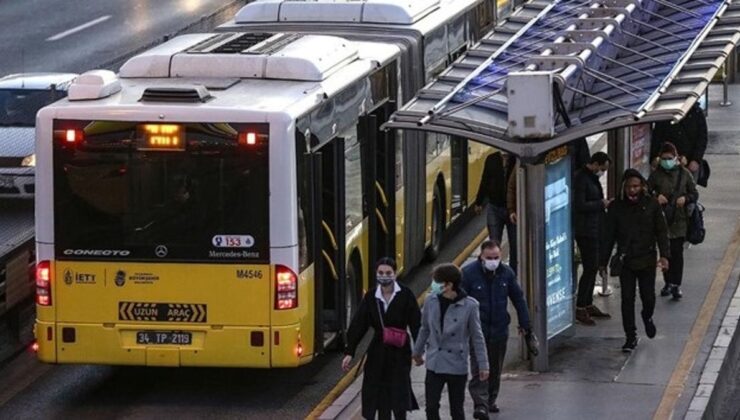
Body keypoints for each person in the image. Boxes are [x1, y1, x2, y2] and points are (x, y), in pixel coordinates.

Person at [600, 169, 670, 353]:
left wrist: (664, 255)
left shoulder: (651, 205)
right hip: (627, 260)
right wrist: (603, 262)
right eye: (630, 187)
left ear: (642, 187)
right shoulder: (616, 208)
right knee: (627, 299)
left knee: (648, 297)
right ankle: (630, 335)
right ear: (624, 187)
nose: (633, 190)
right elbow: (608, 236)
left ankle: (647, 316)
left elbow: (661, 232)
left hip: (647, 258)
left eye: (636, 186)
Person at [343, 257, 421, 420]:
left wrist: (419, 350)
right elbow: (359, 324)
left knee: (399, 395)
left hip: (400, 352)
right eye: (380, 272)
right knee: (380, 398)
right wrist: (350, 351)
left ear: (394, 273)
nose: (384, 276)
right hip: (378, 352)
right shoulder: (371, 297)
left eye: (388, 273)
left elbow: (416, 324)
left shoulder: (406, 295)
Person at [462, 240, 531, 416]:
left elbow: (518, 298)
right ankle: (481, 403)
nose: (493, 261)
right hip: (478, 332)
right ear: (481, 257)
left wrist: (525, 324)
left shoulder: (506, 273)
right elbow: (460, 303)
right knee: (479, 368)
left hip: (499, 330)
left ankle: (490, 400)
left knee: (495, 368)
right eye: (489, 258)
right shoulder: (469, 274)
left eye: (496, 257)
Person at [412, 263, 489, 420]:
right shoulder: (430, 301)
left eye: (437, 282)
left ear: (449, 285)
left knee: (456, 410)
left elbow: (477, 337)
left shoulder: (470, 306)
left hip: (456, 364)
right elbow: (425, 328)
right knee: (431, 407)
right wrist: (417, 352)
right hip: (434, 363)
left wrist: (483, 365)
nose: (433, 285)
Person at [648, 142, 699, 300]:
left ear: (676, 158)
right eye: (664, 158)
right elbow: (647, 191)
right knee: (666, 253)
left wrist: (686, 198)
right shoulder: (656, 175)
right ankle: (668, 282)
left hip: (679, 220)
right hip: (662, 220)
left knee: (677, 253)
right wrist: (656, 197)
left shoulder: (684, 174)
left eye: (669, 158)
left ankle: (676, 284)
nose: (667, 161)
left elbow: (694, 193)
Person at [573, 152, 612, 325]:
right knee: (590, 268)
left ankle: (587, 303)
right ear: (595, 164)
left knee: (593, 267)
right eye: (602, 168)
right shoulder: (581, 179)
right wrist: (600, 204)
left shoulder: (590, 178)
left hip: (594, 227)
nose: (602, 172)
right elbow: (580, 204)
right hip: (585, 230)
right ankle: (581, 306)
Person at [474, 152, 518, 273]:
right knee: (494, 243)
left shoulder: (517, 159)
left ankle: (513, 274)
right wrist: (479, 202)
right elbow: (485, 180)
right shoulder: (491, 159)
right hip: (494, 206)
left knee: (515, 245)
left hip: (513, 210)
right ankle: (495, 272)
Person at [651, 102, 708, 180]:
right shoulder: (666, 113)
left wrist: (696, 159)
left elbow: (702, 138)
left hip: (689, 161)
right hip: (667, 161)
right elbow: (657, 137)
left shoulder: (696, 112)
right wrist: (654, 157)